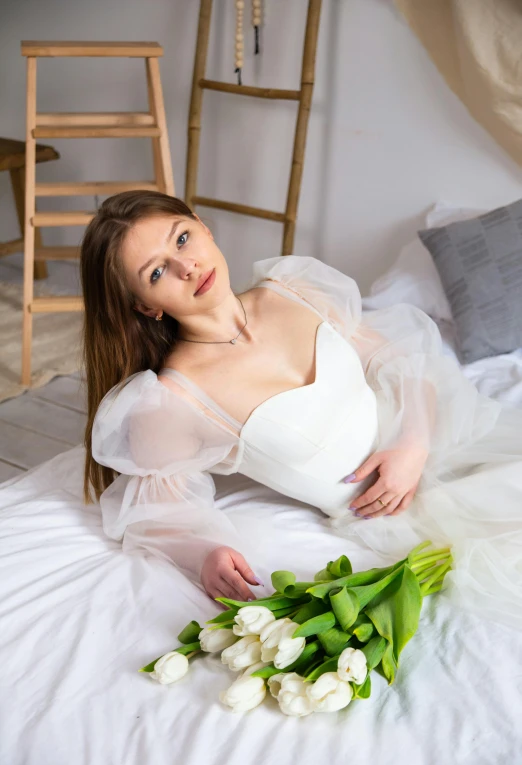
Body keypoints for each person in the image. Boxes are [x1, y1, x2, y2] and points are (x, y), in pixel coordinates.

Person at [84, 190, 522, 628]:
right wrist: (205, 554)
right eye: (158, 271)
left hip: (444, 447)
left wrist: (413, 442)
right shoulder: (175, 398)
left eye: (182, 239)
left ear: (203, 226)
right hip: (397, 518)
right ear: (146, 305)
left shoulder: (294, 288)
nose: (188, 267)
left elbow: (402, 362)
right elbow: (158, 510)